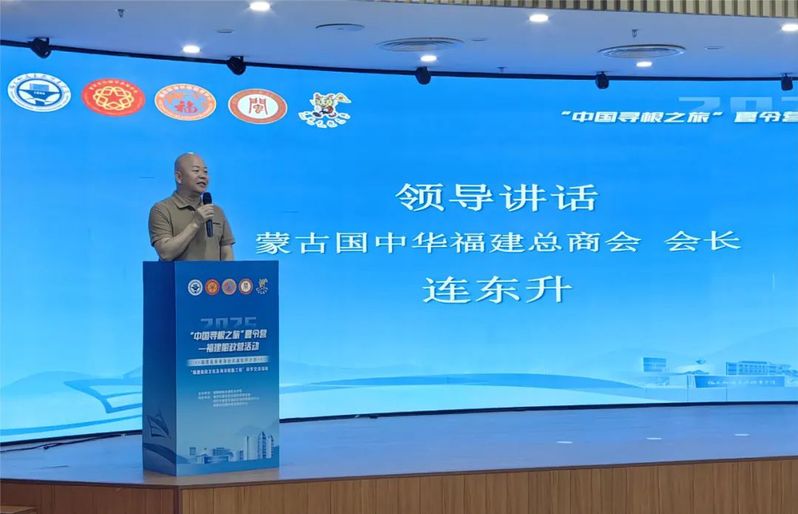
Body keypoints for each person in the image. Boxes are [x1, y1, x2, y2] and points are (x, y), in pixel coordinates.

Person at [148, 153, 235, 261]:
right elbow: (165, 253)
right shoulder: (161, 209)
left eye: (205, 172)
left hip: (213, 273)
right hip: (178, 273)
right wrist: (195, 223)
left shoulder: (216, 211)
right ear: (179, 177)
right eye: (196, 171)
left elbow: (227, 253)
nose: (203, 176)